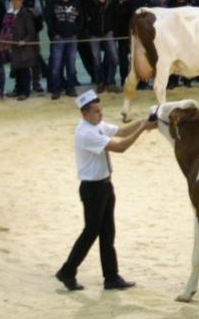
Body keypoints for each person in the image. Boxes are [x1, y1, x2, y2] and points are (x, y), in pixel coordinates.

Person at [55, 90, 158, 292]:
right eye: (96, 112)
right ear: (85, 114)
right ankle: (67, 271)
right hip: (93, 188)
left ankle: (111, 277)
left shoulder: (96, 125)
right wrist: (142, 129)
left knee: (107, 232)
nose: (100, 115)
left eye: (100, 110)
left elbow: (121, 131)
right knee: (91, 232)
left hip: (104, 185)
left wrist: (144, 121)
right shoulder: (86, 132)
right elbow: (121, 147)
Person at [44, 0, 84, 100]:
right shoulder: (53, 2)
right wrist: (54, 34)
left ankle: (70, 88)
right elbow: (49, 19)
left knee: (71, 65)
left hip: (72, 37)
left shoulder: (76, 2)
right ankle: (56, 89)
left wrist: (77, 32)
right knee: (56, 65)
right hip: (58, 38)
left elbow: (81, 18)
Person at [4, 0, 39, 101]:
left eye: (18, 0)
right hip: (14, 46)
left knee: (24, 69)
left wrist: (25, 40)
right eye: (13, 0)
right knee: (17, 69)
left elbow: (31, 31)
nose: (15, 2)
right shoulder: (9, 14)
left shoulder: (26, 14)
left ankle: (25, 92)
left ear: (21, 1)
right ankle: (18, 90)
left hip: (24, 46)